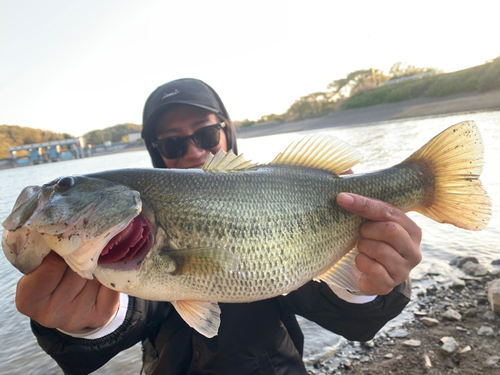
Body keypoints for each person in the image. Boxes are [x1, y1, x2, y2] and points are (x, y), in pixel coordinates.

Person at [16, 78, 422, 375]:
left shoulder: (274, 194)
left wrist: (372, 283)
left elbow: (352, 318)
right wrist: (89, 324)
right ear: (156, 152)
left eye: (207, 133)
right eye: (173, 144)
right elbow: (136, 308)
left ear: (228, 132)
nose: (193, 151)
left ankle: (423, 178)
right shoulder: (130, 234)